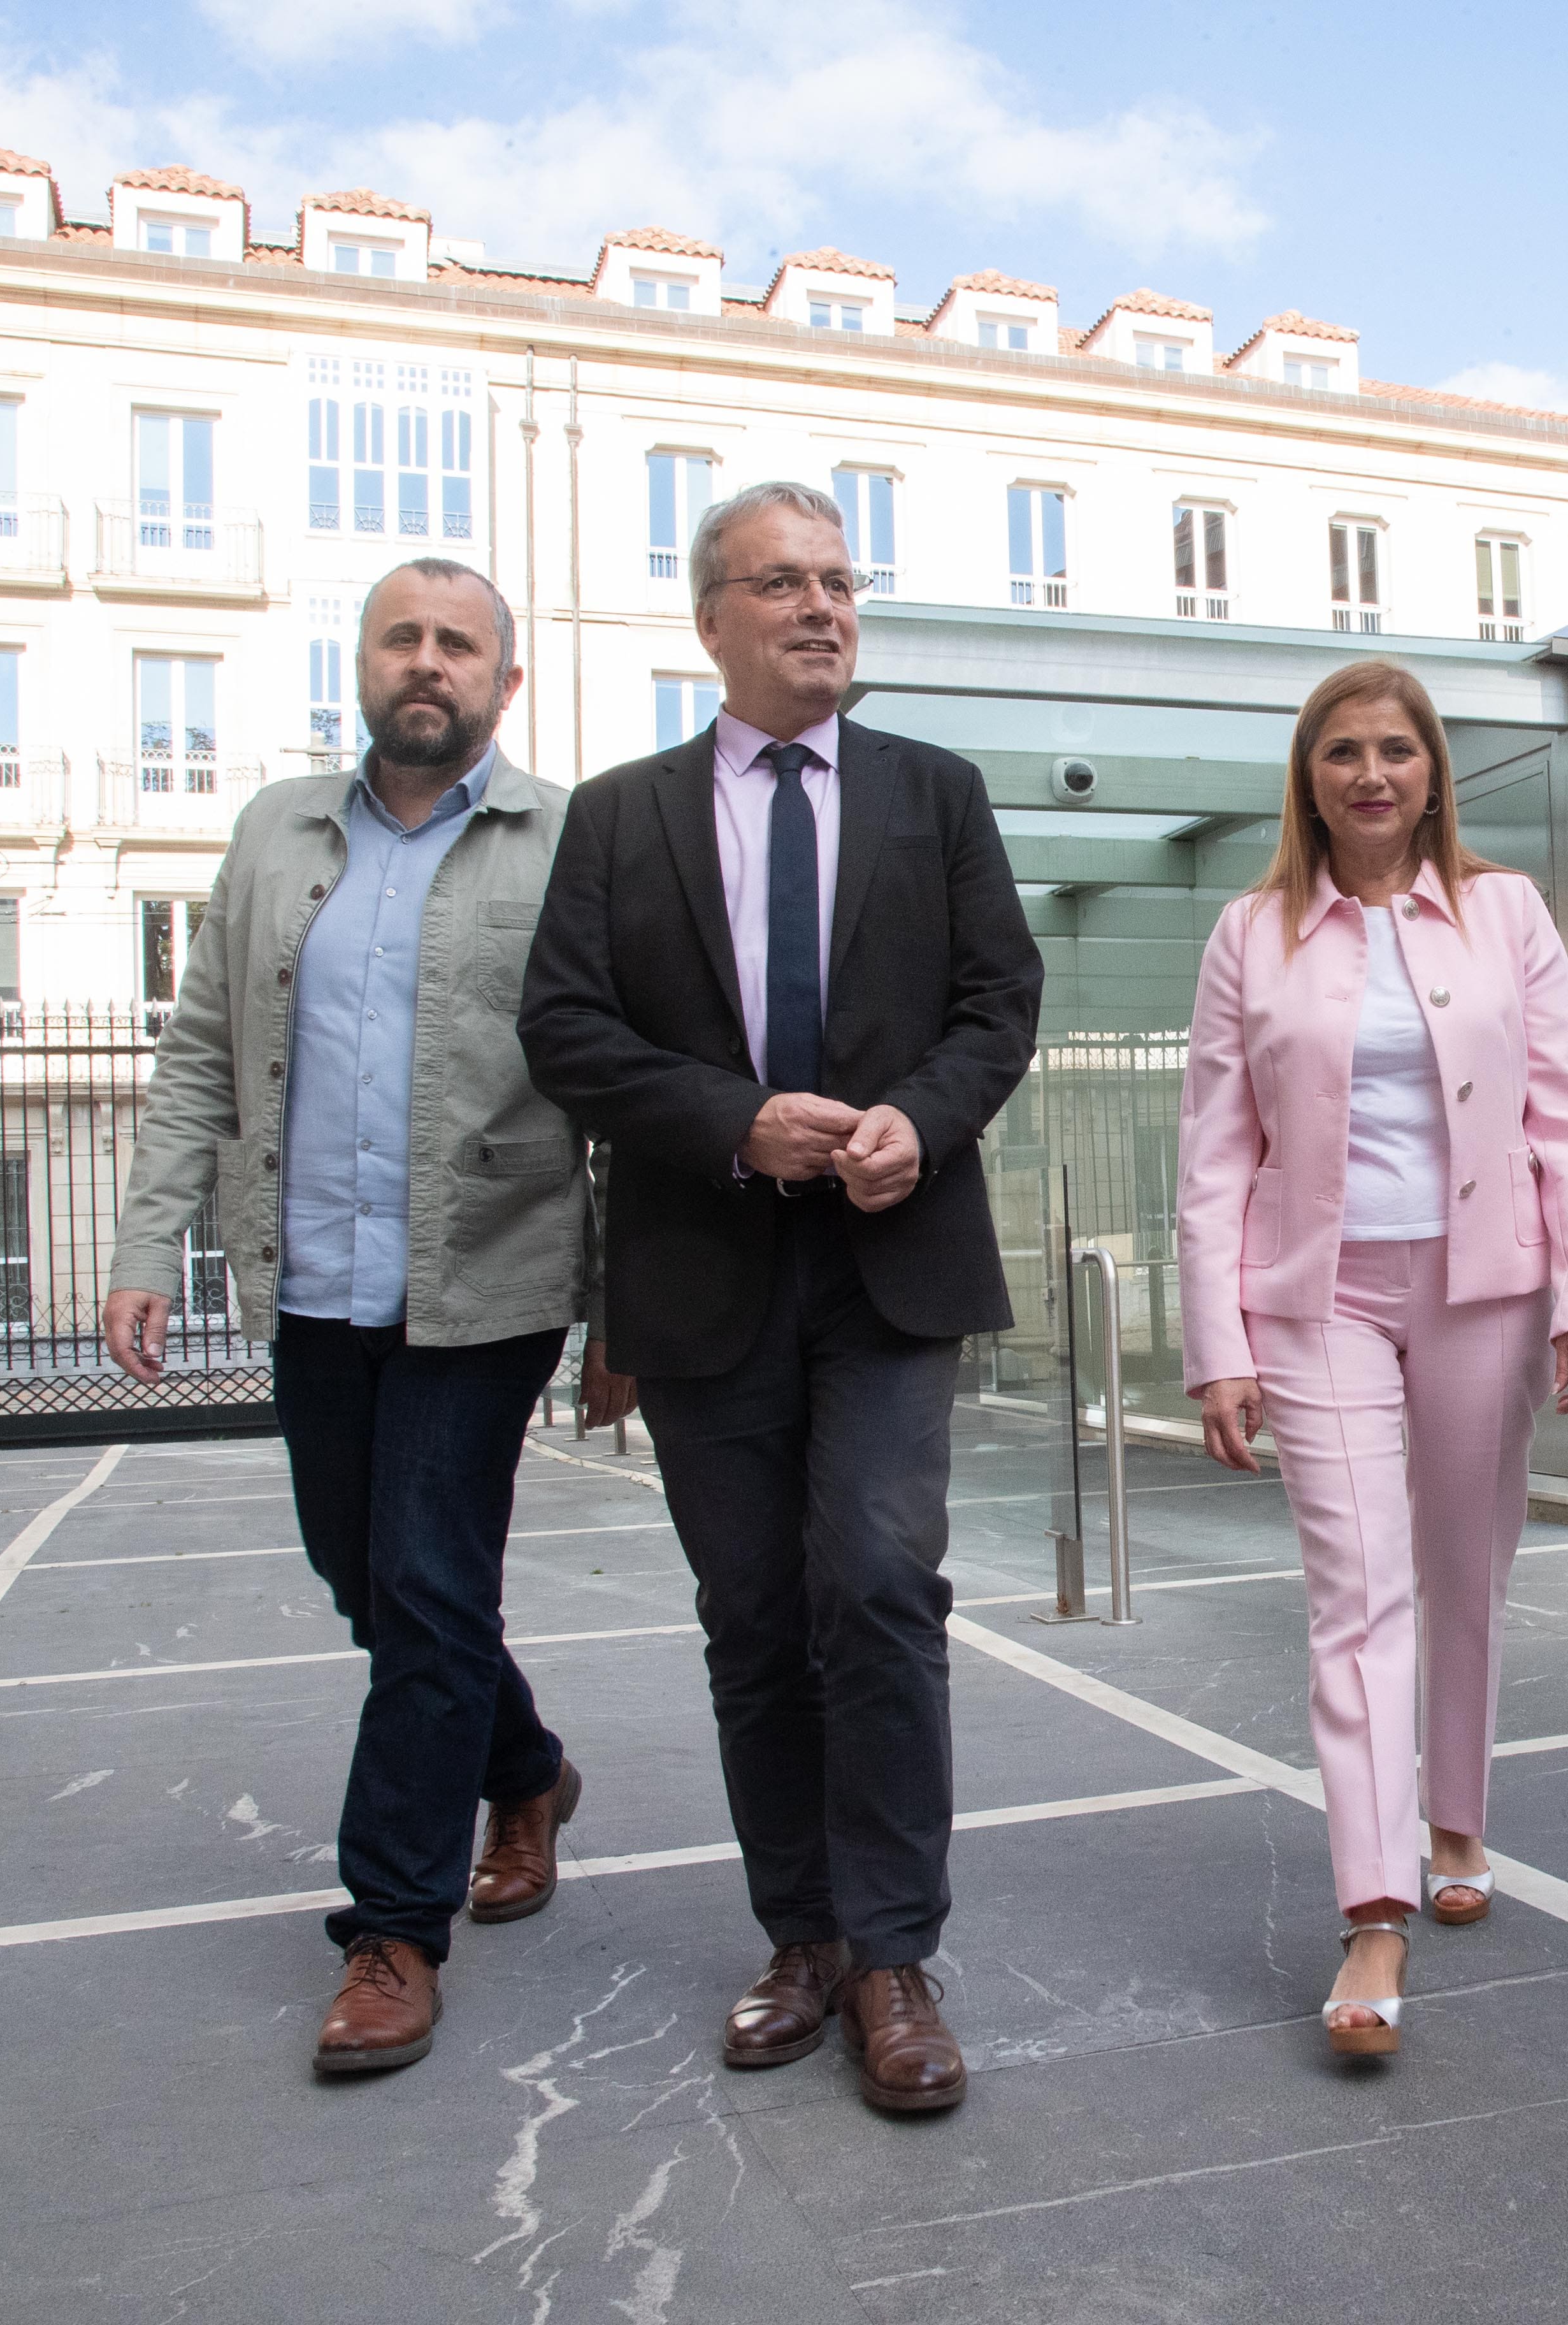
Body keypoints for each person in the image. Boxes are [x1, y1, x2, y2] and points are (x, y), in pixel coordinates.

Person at [517, 478, 1040, 2117]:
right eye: (782, 584)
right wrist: (729, 1121)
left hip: (892, 1262)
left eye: (838, 580)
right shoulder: (620, 816)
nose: (821, 608)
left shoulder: (934, 794)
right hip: (707, 1269)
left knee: (880, 1589)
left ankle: (894, 1952)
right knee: (753, 1617)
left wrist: (923, 1121)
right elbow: (569, 1031)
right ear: (712, 621)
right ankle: (801, 1936)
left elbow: (996, 998)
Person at [104, 558, 623, 2076]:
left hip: (490, 1278)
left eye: (459, 645)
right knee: (374, 1580)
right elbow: (205, 1046)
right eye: (403, 636)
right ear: (362, 666)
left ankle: (393, 1930)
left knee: (426, 1577)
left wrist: (625, 1316)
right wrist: (150, 1242)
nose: (428, 663)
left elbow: (619, 1085)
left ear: (503, 686)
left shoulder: (567, 841)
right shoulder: (278, 831)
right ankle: (524, 1768)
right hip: (311, 1280)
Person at [1179, 659, 1568, 2056]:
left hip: (1484, 1285)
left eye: (1397, 751)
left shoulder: (1506, 913)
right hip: (1317, 1303)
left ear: (1434, 773)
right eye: (1342, 754)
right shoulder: (1252, 933)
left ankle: (1459, 1818)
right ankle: (1375, 1912)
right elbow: (1212, 1156)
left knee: (1468, 1573)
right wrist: (1218, 1342)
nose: (1372, 775)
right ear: (1308, 779)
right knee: (1357, 1591)